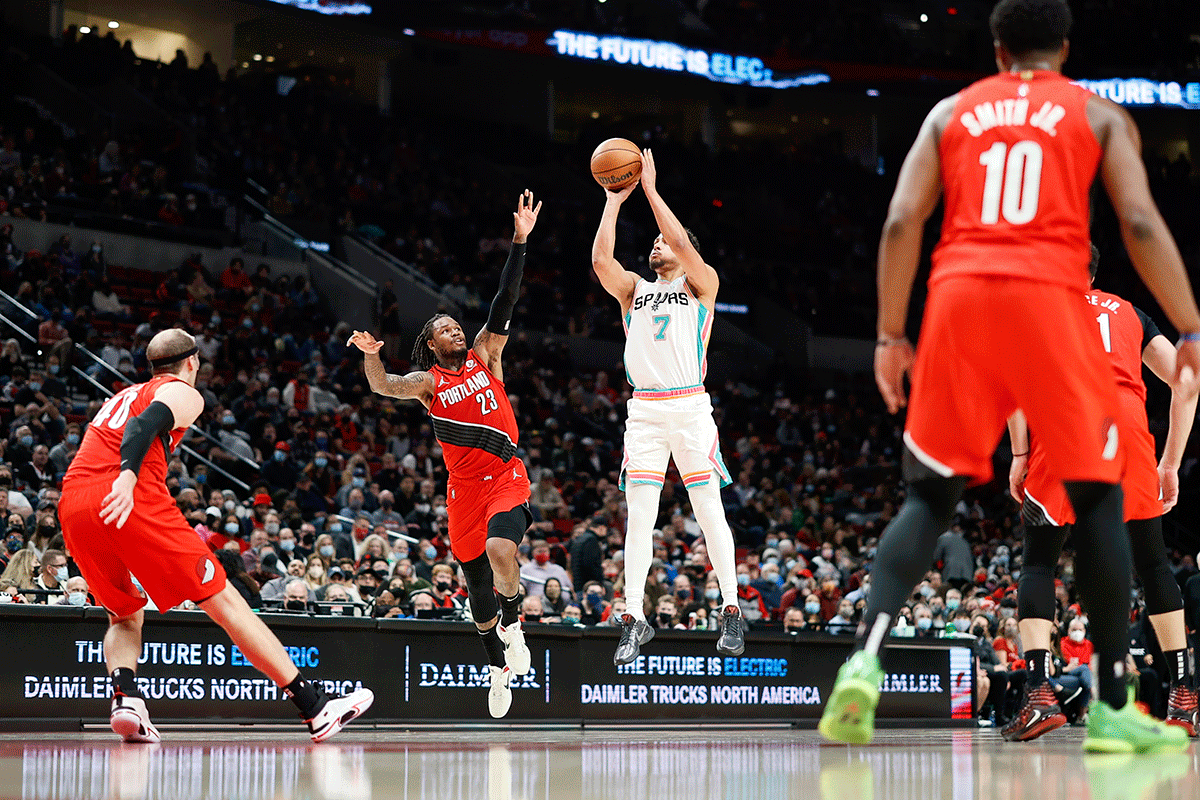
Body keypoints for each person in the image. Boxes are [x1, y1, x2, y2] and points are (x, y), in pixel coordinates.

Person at [819, 0, 1200, 754]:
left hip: (959, 299)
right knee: (1098, 506)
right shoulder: (1096, 113)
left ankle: (862, 663)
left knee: (927, 500)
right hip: (1047, 301)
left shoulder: (949, 112)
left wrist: (892, 334)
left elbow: (900, 223)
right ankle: (1117, 702)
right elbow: (1143, 224)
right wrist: (1187, 326)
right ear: (1064, 47)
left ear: (996, 50)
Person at [58, 328, 373, 744]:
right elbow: (143, 426)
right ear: (192, 363)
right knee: (225, 600)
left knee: (123, 613)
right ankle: (314, 707)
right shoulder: (182, 392)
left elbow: (127, 425)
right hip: (127, 493)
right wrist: (128, 474)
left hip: (74, 502)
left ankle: (126, 697)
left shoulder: (121, 394)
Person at [349, 192, 541, 719]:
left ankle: (516, 629)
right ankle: (498, 666)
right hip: (463, 493)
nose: (456, 331)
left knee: (504, 552)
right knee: (477, 591)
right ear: (432, 345)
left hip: (506, 475)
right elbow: (384, 385)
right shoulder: (428, 383)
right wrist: (371, 357)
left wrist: (519, 240)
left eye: (457, 326)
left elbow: (505, 299)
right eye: (445, 331)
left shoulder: (485, 355)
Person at [1004, 245, 1200, 741]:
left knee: (1039, 562)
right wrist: (1171, 462)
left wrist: (1020, 454)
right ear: (1094, 273)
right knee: (1153, 564)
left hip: (1066, 427)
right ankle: (1185, 697)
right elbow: (1187, 379)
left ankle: (1040, 695)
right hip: (1130, 434)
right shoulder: (1129, 313)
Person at [591, 148, 744, 666]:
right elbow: (599, 262)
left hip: (690, 408)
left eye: (663, 242)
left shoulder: (702, 285)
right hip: (646, 414)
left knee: (708, 512)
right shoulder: (634, 290)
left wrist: (652, 192)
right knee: (640, 519)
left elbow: (679, 239)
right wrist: (614, 202)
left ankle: (730, 607)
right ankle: (634, 617)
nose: (657, 244)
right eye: (654, 241)